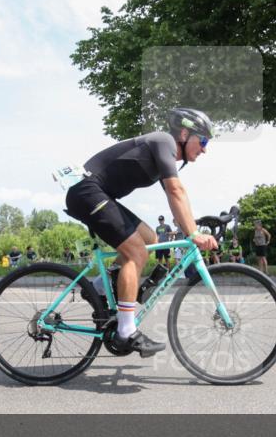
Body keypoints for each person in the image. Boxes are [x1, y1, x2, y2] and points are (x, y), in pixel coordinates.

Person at [63, 106, 218, 356]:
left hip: (97, 194)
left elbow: (178, 195)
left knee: (149, 238)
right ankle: (126, 331)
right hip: (87, 192)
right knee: (136, 252)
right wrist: (194, 234)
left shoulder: (163, 151)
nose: (204, 148)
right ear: (184, 133)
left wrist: (193, 227)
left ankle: (97, 289)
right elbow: (175, 192)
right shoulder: (164, 141)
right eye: (202, 141)